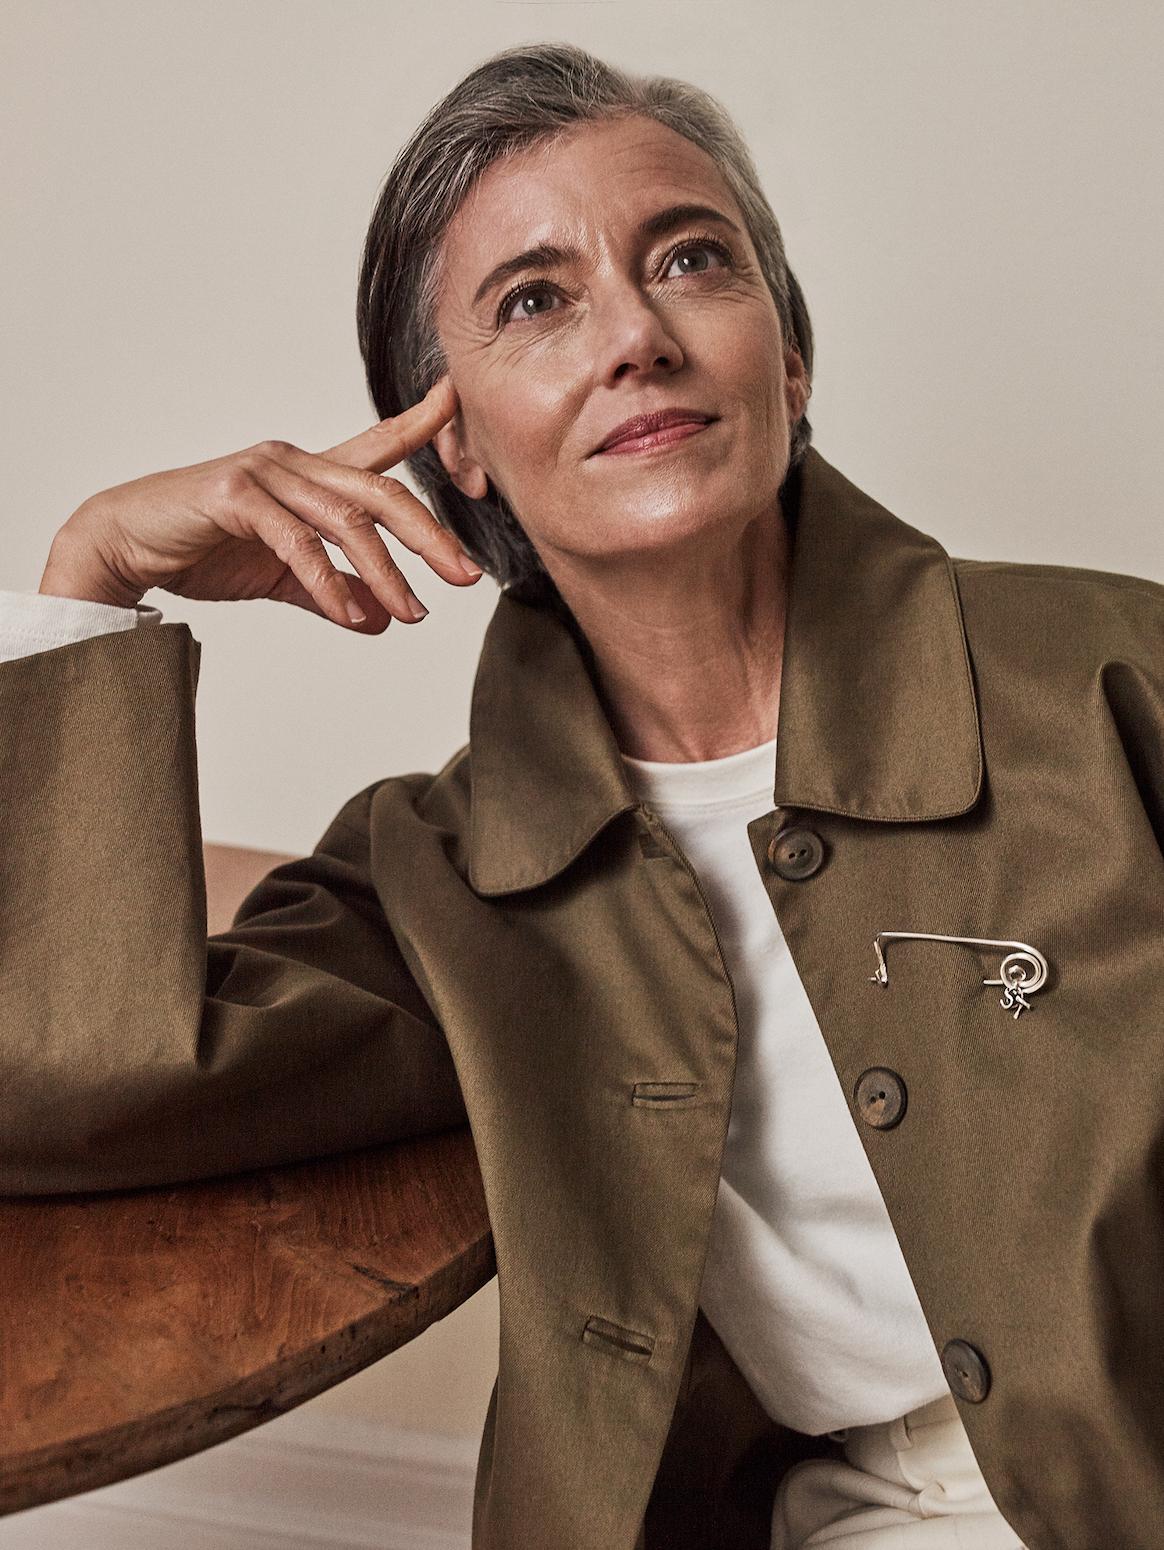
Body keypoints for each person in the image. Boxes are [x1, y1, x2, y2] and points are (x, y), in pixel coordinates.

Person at [1, 42, 1162, 1550]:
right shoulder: (445, 872)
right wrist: (93, 575)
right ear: (456, 442)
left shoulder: (1111, 676)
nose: (636, 335)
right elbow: (62, 1088)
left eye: (692, 259)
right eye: (535, 300)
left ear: (788, 360)